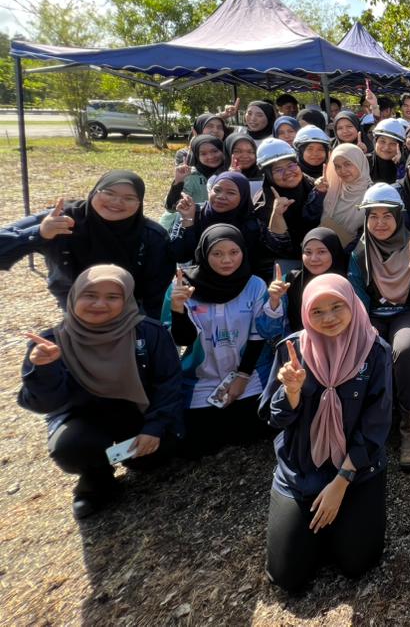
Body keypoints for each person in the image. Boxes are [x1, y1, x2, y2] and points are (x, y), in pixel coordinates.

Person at [261, 273, 392, 594]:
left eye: (337, 307)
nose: (329, 318)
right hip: (301, 469)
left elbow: (376, 427)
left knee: (356, 563)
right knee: (286, 575)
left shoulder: (374, 351)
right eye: (317, 311)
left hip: (357, 471)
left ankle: (336, 522)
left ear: (353, 305)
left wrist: (340, 483)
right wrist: (291, 392)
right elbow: (272, 419)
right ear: (305, 313)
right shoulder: (292, 351)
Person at [19, 265, 184, 518]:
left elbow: (169, 383)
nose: (99, 304)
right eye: (90, 295)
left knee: (156, 454)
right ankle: (96, 478)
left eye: (112, 297)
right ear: (74, 296)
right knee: (71, 448)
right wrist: (44, 369)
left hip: (137, 412)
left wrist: (154, 428)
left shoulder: (148, 333)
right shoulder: (52, 342)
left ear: (127, 298)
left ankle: (131, 456)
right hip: (84, 418)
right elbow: (44, 404)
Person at [163, 224, 274, 457]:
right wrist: (177, 308)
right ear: (204, 253)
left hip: (249, 373)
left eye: (234, 252)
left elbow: (257, 336)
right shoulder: (182, 287)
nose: (227, 260)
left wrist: (243, 376)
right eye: (217, 253)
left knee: (257, 428)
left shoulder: (254, 285)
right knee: (198, 442)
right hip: (203, 377)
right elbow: (183, 339)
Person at [0, 171, 173, 320]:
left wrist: (147, 335)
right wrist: (39, 233)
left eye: (129, 198)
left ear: (139, 204)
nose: (117, 202)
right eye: (109, 193)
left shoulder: (152, 236)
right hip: (73, 307)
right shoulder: (62, 220)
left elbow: (156, 296)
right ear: (94, 192)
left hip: (130, 314)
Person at [348, 184, 410, 470]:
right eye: (373, 216)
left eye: (387, 216)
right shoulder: (359, 251)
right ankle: (369, 422)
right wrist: (364, 327)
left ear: (399, 216)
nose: (380, 223)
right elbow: (359, 297)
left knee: (406, 348)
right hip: (375, 312)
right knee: (367, 344)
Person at [171, 171, 278, 279]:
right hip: (199, 278)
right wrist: (188, 221)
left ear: (243, 197)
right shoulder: (194, 211)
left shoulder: (252, 224)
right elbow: (180, 255)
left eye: (231, 193)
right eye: (217, 190)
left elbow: (255, 263)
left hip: (239, 282)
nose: (221, 196)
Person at [319, 143, 372, 247]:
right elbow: (310, 219)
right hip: (322, 252)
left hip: (354, 255)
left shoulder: (372, 194)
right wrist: (318, 194)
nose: (342, 171)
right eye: (337, 166)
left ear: (359, 163)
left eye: (348, 164)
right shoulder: (331, 188)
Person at [164, 134, 225, 210]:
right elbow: (171, 208)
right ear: (197, 156)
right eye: (203, 154)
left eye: (215, 151)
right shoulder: (191, 175)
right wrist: (178, 182)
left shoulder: (231, 173)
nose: (210, 156)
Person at [369, 118, 407, 183]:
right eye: (382, 141)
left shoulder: (406, 167)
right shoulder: (364, 163)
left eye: (393, 143)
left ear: (400, 147)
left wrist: (400, 166)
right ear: (375, 141)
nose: (386, 147)